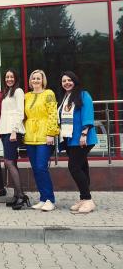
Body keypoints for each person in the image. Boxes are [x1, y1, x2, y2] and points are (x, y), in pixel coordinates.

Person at [58, 71, 98, 213]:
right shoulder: (65, 97)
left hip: (82, 138)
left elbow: (88, 114)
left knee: (74, 167)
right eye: (64, 81)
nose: (67, 83)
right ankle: (83, 198)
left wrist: (84, 133)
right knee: (82, 167)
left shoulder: (83, 94)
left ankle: (88, 199)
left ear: (75, 80)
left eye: (69, 80)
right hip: (70, 139)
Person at [24, 69, 60, 212]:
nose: (36, 81)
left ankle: (50, 199)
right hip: (30, 136)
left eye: (38, 78)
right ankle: (43, 198)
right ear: (30, 81)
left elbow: (52, 114)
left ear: (43, 80)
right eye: (33, 78)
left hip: (45, 136)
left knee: (41, 167)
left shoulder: (49, 94)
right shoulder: (26, 96)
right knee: (35, 169)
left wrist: (51, 133)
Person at [0, 69, 27, 210]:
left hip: (12, 131)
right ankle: (17, 195)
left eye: (11, 76)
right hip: (5, 131)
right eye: (7, 76)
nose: (9, 79)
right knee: (12, 162)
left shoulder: (18, 91)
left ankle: (21, 196)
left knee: (8, 162)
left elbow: (20, 112)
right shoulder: (7, 92)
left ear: (16, 78)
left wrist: (14, 130)